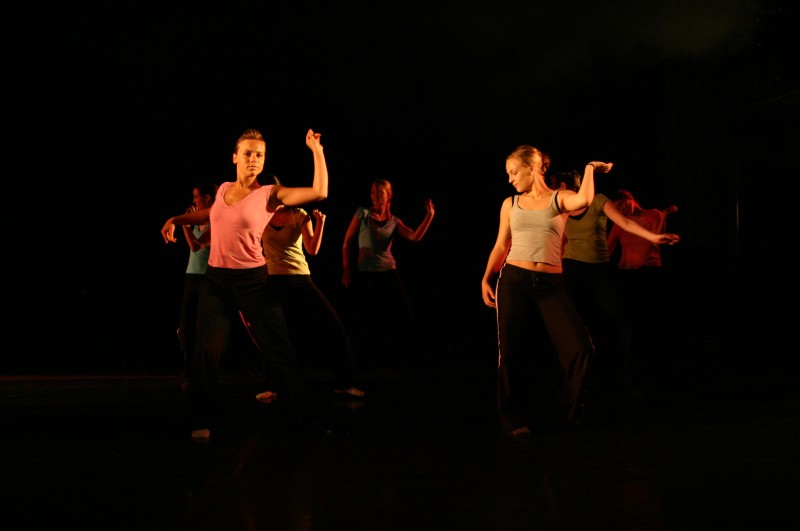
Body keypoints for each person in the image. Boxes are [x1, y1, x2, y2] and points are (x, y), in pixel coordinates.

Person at [160, 128, 328, 440]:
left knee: (279, 349)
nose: (253, 159)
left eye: (259, 155)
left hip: (252, 281)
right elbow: (209, 214)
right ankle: (199, 418)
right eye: (248, 153)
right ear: (235, 157)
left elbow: (319, 192)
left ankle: (309, 417)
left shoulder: (270, 195)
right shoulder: (224, 189)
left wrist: (316, 151)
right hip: (216, 280)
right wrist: (176, 219)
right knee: (207, 352)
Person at [480, 145, 612, 438]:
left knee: (580, 348)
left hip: (550, 285)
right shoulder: (510, 203)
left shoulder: (559, 198)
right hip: (514, 280)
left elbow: (584, 198)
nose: (510, 179)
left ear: (532, 167)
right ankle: (512, 419)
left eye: (513, 172)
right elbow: (501, 245)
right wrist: (487, 277)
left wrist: (590, 168)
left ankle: (570, 411)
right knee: (510, 352)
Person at [548, 171, 680, 419]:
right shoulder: (558, 208)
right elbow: (561, 241)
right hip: (573, 271)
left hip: (599, 271)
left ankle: (628, 382)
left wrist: (655, 236)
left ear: (567, 186)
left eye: (555, 188)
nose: (552, 194)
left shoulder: (598, 200)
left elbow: (626, 224)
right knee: (570, 328)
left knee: (624, 322)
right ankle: (566, 390)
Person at [244, 175, 364, 401]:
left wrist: (321, 223)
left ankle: (344, 383)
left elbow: (312, 250)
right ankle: (272, 385)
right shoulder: (259, 217)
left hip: (300, 278)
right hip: (272, 280)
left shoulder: (298, 215)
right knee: (273, 335)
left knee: (334, 327)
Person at [341, 179, 435, 374]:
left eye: (380, 192)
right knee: (362, 319)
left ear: (388, 195)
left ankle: (405, 361)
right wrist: (346, 270)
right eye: (373, 192)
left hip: (388, 271)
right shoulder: (363, 213)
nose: (375, 195)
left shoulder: (394, 221)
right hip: (366, 273)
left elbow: (414, 236)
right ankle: (356, 364)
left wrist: (430, 215)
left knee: (403, 314)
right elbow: (346, 243)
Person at [607, 189, 679, 374]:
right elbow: (607, 249)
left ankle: (652, 366)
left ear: (630, 199)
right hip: (628, 276)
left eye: (622, 204)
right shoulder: (621, 222)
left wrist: (664, 215)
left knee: (650, 320)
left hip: (649, 274)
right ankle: (628, 367)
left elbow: (656, 240)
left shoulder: (653, 214)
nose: (621, 210)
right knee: (629, 322)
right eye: (617, 208)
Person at [176, 182, 218, 386]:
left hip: (207, 278)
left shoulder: (215, 221)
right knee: (186, 326)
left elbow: (195, 246)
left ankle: (203, 371)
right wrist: (188, 224)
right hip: (191, 276)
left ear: (207, 198)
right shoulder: (196, 221)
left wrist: (185, 225)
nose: (193, 200)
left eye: (196, 196)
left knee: (204, 328)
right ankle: (189, 368)